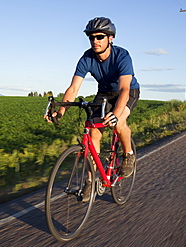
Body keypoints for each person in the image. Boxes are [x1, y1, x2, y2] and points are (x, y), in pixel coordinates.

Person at [45, 17, 140, 201]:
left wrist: (116, 113)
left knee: (119, 123)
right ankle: (90, 181)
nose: (95, 41)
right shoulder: (87, 57)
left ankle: (128, 155)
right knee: (94, 134)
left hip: (127, 91)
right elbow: (73, 88)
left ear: (110, 38)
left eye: (100, 37)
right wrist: (61, 111)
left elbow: (124, 89)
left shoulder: (122, 55)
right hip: (104, 92)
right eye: (91, 37)